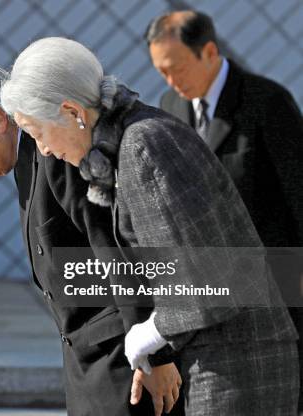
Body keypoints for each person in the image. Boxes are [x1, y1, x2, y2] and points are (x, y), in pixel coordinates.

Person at [0, 36, 299, 415]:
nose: (42, 150)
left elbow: (209, 275)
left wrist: (153, 330)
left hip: (237, 364)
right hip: (222, 358)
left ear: (72, 111)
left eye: (38, 131)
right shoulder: (129, 140)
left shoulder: (144, 145)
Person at [0, 59, 184, 415]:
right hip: (88, 360)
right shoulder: (26, 158)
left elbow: (117, 247)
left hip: (124, 361)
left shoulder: (57, 150)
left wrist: (155, 354)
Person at [145, 11, 303, 408]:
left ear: (209, 51)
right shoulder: (171, 105)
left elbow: (299, 192)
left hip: (275, 283)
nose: (170, 81)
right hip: (209, 288)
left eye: (176, 68)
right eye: (161, 71)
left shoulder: (267, 102)